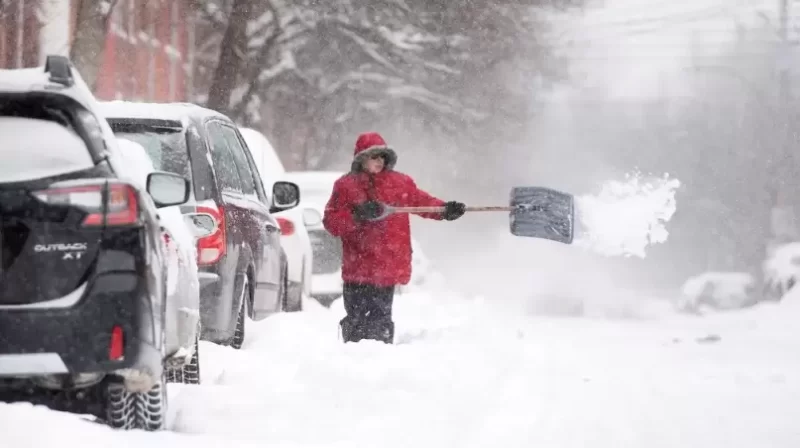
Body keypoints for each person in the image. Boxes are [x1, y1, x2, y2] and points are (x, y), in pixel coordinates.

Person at [323, 132, 466, 344]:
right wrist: (357, 215)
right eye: (374, 156)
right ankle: (352, 362)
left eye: (382, 156)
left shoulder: (399, 183)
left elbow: (421, 202)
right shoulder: (346, 186)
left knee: (380, 321)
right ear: (361, 158)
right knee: (356, 322)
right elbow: (331, 222)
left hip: (385, 268)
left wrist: (445, 210)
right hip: (357, 270)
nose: (379, 161)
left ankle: (381, 359)